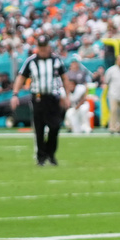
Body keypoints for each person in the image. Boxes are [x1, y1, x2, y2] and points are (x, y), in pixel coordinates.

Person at [12, 35, 71, 166]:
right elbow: (21, 77)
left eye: (45, 47)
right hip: (38, 98)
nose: (43, 50)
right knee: (39, 128)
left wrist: (67, 96)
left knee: (55, 126)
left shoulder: (56, 60)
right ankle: (41, 157)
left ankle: (50, 153)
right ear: (37, 47)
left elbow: (65, 78)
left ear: (49, 47)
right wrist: (15, 94)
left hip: (53, 98)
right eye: (41, 47)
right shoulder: (31, 61)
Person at [64, 60, 94, 134]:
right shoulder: (65, 90)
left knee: (84, 109)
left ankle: (86, 127)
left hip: (81, 105)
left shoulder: (80, 88)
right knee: (69, 113)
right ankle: (71, 127)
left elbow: (84, 97)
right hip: (73, 106)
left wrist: (78, 105)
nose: (71, 86)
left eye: (72, 85)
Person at [103, 53, 120, 134]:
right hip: (113, 94)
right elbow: (106, 81)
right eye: (119, 60)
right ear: (116, 61)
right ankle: (112, 127)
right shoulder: (111, 70)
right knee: (114, 110)